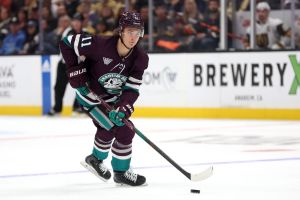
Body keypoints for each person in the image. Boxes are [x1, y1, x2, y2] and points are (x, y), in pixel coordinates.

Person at [59, 11, 149, 186]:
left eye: (137, 32)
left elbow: (132, 89)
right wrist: (74, 69)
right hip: (90, 96)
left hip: (113, 99)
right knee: (125, 130)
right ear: (120, 31)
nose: (133, 37)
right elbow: (66, 43)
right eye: (130, 31)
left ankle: (95, 159)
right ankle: (121, 172)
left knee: (110, 127)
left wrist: (124, 107)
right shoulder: (97, 44)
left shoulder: (140, 58)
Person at [47, 13, 86, 116]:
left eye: (78, 21)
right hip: (64, 64)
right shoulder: (68, 32)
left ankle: (77, 107)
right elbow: (69, 47)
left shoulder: (85, 34)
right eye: (74, 21)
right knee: (59, 87)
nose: (76, 23)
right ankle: (57, 109)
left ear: (82, 23)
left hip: (77, 65)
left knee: (81, 86)